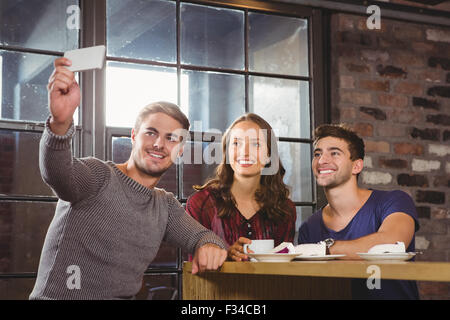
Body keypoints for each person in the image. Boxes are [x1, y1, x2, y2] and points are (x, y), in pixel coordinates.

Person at [29, 57, 227, 300]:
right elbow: (57, 173)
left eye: (171, 138)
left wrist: (210, 245)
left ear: (181, 149)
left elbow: (201, 236)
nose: (158, 144)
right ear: (134, 136)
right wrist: (60, 124)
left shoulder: (164, 206)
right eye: (151, 133)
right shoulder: (99, 176)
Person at [298, 124, 420, 300]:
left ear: (356, 166)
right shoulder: (308, 228)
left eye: (334, 153)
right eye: (317, 154)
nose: (322, 160)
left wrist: (323, 249)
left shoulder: (394, 202)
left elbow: (390, 244)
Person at [186, 113, 296, 262]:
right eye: (236, 143)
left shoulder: (285, 209)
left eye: (255, 144)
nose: (245, 152)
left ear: (269, 154)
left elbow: (285, 269)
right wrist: (225, 255)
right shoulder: (201, 204)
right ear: (227, 152)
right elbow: (194, 269)